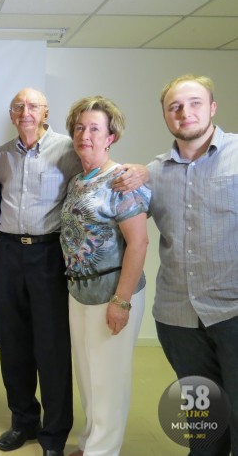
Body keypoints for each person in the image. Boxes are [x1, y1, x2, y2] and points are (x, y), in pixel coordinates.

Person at [0, 87, 147, 456]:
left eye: (33, 106)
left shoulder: (69, 150)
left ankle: (55, 434)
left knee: (52, 348)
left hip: (49, 255)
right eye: (18, 106)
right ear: (12, 115)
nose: (25, 111)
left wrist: (143, 171)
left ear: (45, 112)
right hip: (9, 252)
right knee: (14, 345)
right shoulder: (0, 157)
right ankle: (23, 421)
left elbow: (111, 174)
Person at [149, 74, 238, 456]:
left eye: (195, 103)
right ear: (167, 116)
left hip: (233, 311)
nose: (185, 112)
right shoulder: (152, 172)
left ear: (213, 108)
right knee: (202, 418)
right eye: (175, 106)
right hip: (177, 316)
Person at [61, 96, 150, 456]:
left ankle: (103, 451)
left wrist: (121, 300)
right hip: (78, 291)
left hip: (113, 291)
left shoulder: (121, 180)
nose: (86, 134)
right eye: (80, 127)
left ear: (110, 136)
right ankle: (90, 442)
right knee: (87, 376)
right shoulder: (78, 180)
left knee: (109, 380)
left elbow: (139, 243)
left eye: (94, 128)